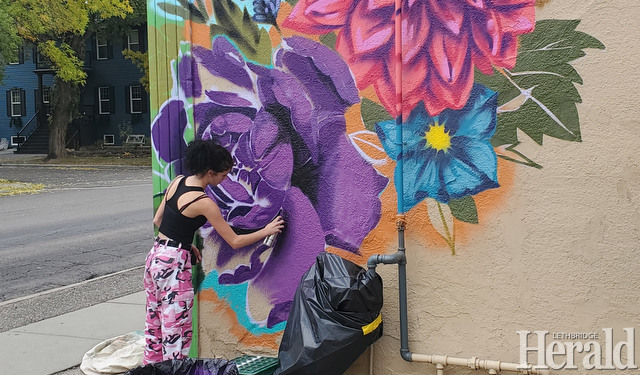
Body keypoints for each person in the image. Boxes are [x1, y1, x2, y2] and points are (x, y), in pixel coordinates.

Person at [143, 139, 284, 364]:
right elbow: (235, 241)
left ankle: (149, 369)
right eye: (223, 175)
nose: (224, 179)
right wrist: (266, 230)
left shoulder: (177, 182)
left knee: (154, 324)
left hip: (156, 258)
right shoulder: (204, 202)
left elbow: (158, 220)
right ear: (210, 172)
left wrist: (184, 243)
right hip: (174, 266)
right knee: (176, 331)